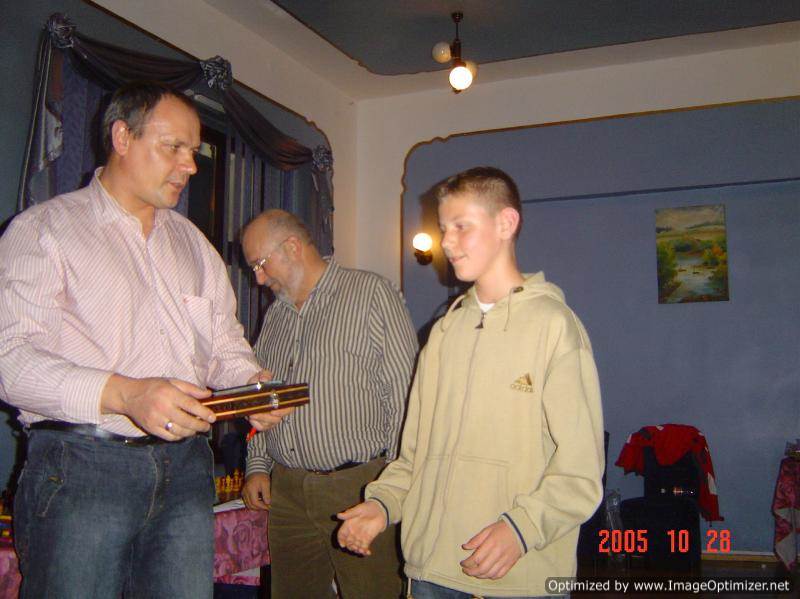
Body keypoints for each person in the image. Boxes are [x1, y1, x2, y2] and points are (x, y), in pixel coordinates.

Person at [0, 81, 267, 599]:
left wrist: (252, 386)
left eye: (193, 150)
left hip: (187, 469)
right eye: (174, 147)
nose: (190, 165)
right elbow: (11, 361)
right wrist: (126, 394)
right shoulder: (44, 230)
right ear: (122, 137)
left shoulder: (194, 245)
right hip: (81, 467)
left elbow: (223, 348)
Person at [337, 167, 605, 598]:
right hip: (430, 571)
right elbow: (414, 456)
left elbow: (581, 472)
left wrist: (521, 529)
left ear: (506, 223)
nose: (447, 242)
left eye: (461, 226)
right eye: (443, 229)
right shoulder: (443, 334)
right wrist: (381, 504)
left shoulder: (555, 327)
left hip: (516, 578)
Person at [240, 209, 418, 598]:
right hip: (287, 489)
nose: (258, 278)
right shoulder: (276, 316)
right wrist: (258, 465)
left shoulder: (371, 294)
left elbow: (405, 398)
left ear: (292, 247)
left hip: (358, 486)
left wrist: (391, 488)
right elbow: (262, 395)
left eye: (260, 263)